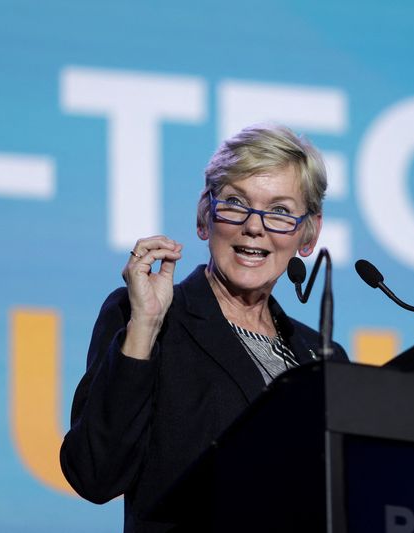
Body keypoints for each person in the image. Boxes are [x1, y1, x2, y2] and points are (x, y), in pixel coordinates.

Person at [60, 124, 349, 532]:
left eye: (281, 211)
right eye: (235, 203)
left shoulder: (322, 355)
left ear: (309, 233)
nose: (255, 225)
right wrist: (144, 325)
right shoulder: (149, 316)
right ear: (204, 215)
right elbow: (95, 473)